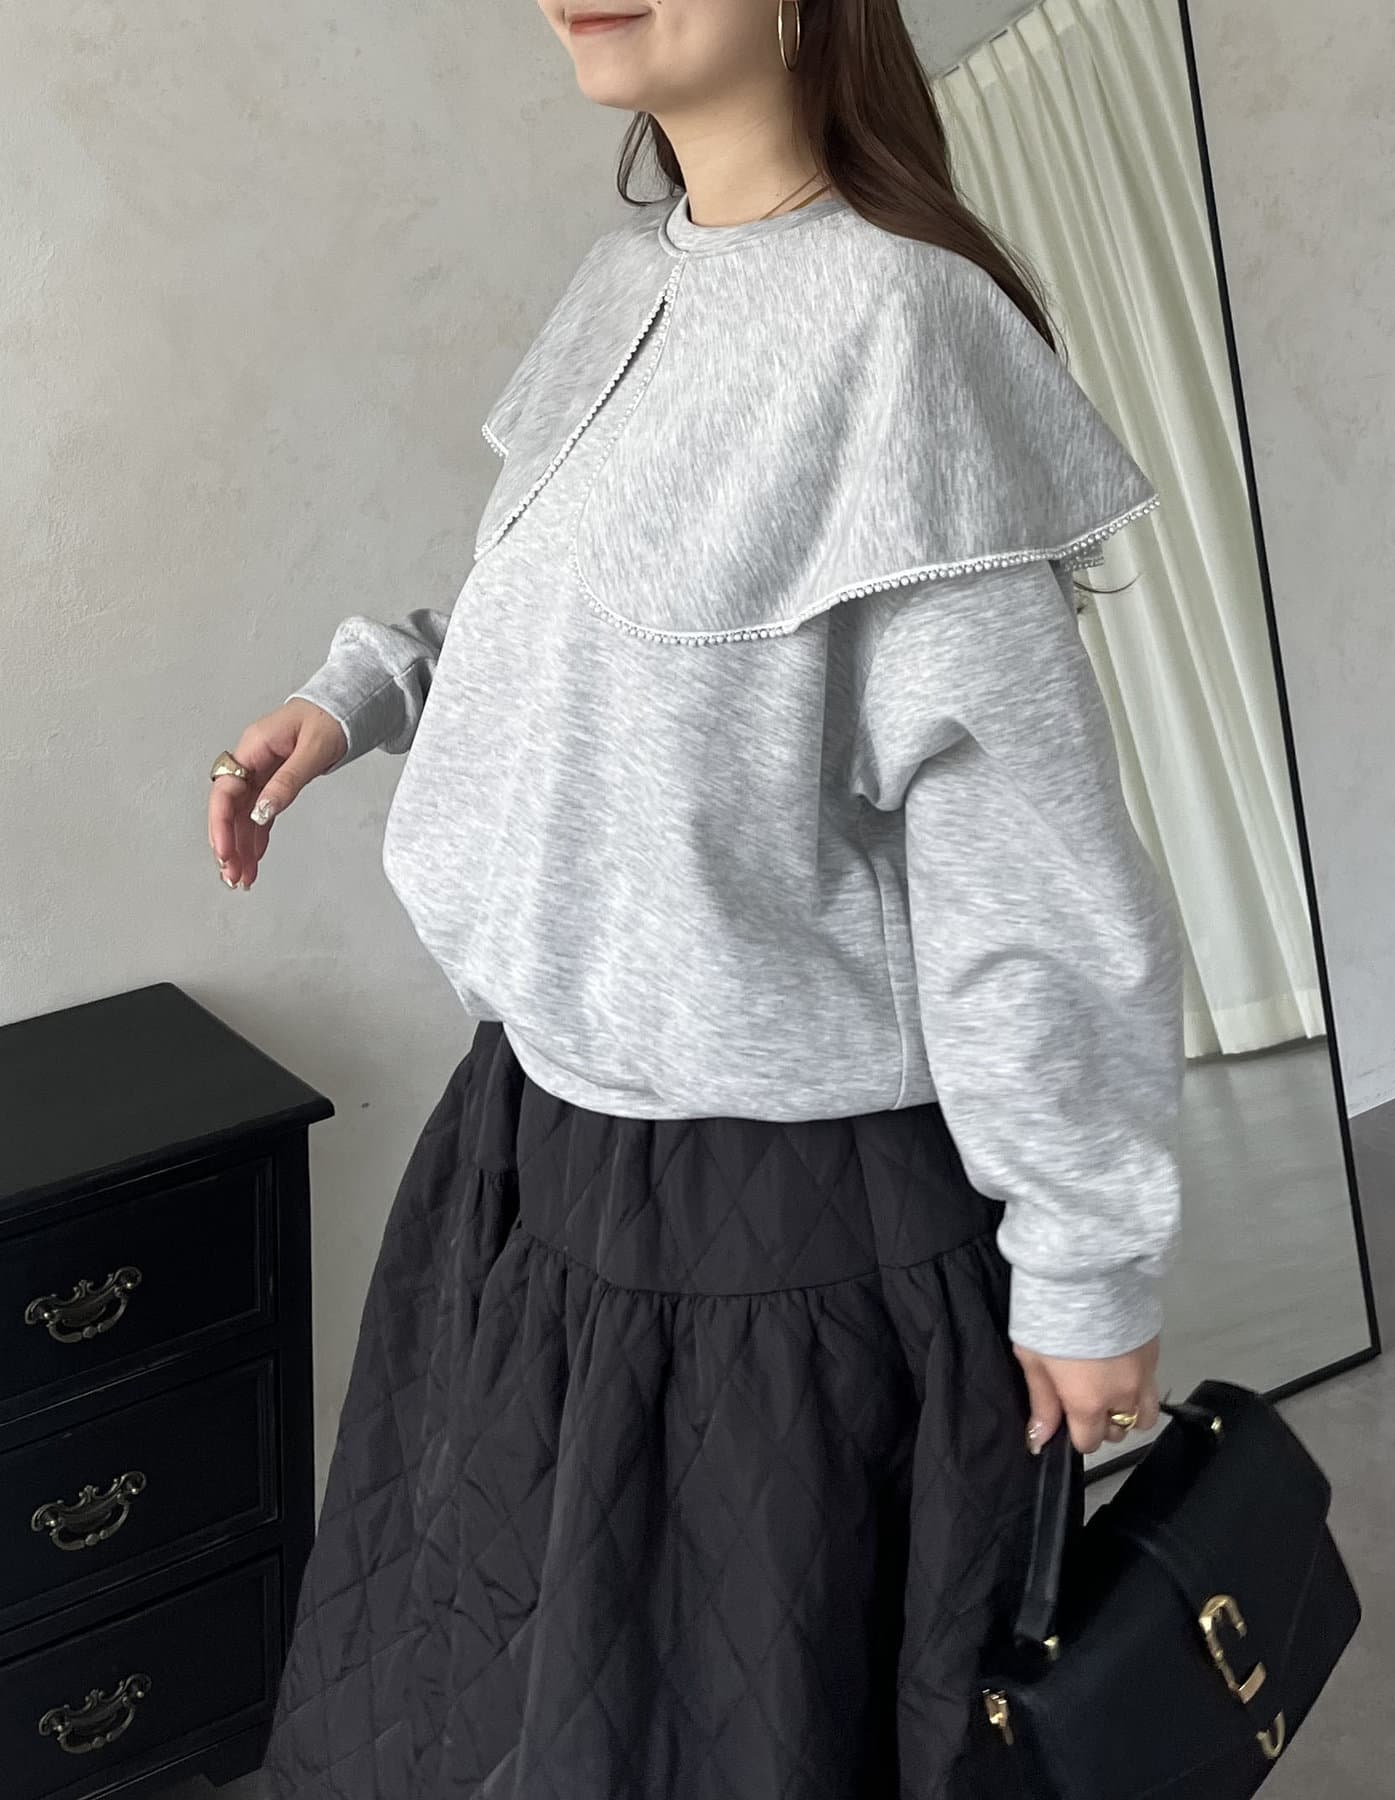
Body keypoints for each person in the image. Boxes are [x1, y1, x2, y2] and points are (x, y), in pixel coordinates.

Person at [209, 0, 1185, 1792]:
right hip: (533, 1152)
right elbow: (581, 633)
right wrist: (367, 693)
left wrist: (1085, 1253)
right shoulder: (627, 283)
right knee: (465, 1710)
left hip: (773, 1231)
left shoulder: (900, 326)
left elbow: (1027, 855)